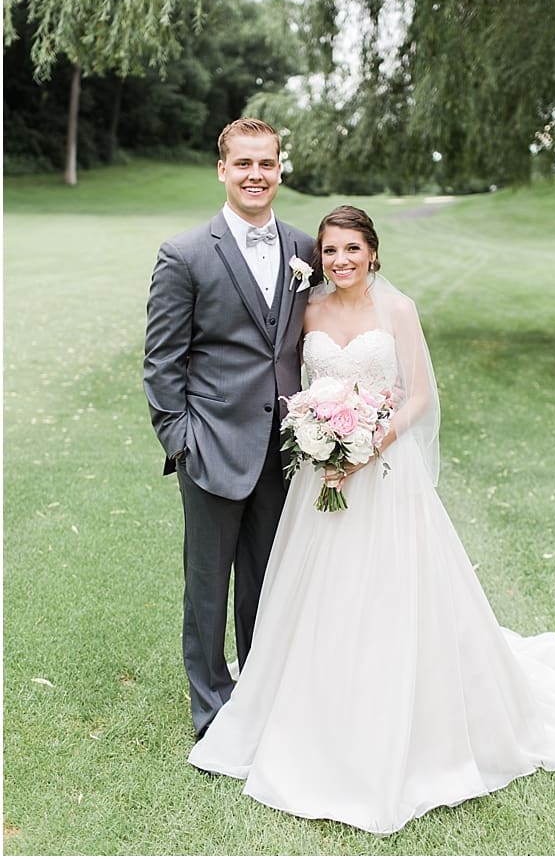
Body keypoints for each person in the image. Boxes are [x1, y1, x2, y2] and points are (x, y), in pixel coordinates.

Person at [187, 206, 555, 834]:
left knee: (388, 589)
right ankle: (312, 707)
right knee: (317, 590)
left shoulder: (398, 310)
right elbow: (296, 383)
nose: (341, 261)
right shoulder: (309, 312)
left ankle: (394, 711)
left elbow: (420, 395)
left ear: (373, 253)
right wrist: (318, 435)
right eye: (330, 251)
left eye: (352, 249)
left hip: (382, 472)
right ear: (319, 259)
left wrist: (367, 444)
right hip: (319, 474)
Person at [144, 118, 318, 741]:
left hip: (288, 447)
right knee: (207, 586)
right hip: (211, 446)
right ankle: (213, 711)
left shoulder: (305, 250)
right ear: (222, 169)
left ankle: (262, 694)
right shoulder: (185, 254)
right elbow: (162, 361)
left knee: (268, 582)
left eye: (266, 163)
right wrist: (181, 441)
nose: (255, 175)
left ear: (280, 169)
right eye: (243, 163)